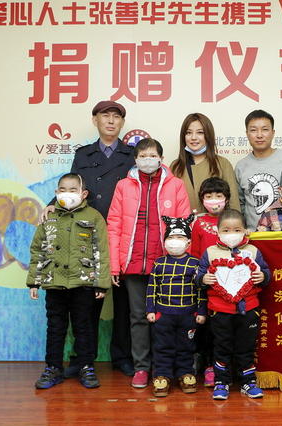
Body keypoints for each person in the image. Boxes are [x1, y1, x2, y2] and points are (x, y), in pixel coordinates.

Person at [40, 100, 135, 378]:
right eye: (105, 116)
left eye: (116, 117)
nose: (111, 121)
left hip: (120, 234)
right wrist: (51, 204)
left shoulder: (132, 155)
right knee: (87, 301)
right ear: (95, 120)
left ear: (122, 123)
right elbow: (73, 186)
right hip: (87, 233)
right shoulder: (83, 154)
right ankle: (83, 359)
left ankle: (122, 357)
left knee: (123, 301)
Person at [107, 138, 192, 388]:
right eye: (143, 156)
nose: (148, 160)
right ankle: (142, 368)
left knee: (166, 316)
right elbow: (114, 225)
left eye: (152, 155)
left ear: (161, 159)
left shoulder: (175, 185)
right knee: (138, 317)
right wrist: (115, 265)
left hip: (166, 264)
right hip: (132, 263)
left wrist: (184, 262)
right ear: (135, 159)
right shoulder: (124, 186)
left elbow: (185, 224)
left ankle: (164, 368)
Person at [28, 173, 110, 389]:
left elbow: (101, 251)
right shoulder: (49, 217)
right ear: (56, 193)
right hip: (54, 283)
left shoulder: (94, 217)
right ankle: (53, 368)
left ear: (83, 194)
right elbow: (37, 250)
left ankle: (86, 366)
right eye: (63, 190)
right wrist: (34, 281)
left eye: (73, 190)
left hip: (83, 284)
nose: (67, 194)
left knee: (84, 327)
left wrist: (101, 283)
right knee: (55, 327)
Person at [196, 209, 271, 400]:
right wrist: (203, 279)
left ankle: (248, 382)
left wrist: (263, 276)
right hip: (220, 311)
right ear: (218, 231)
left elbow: (266, 274)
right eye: (226, 230)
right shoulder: (210, 252)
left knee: (246, 347)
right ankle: (222, 381)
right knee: (221, 346)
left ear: (245, 230)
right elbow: (198, 276)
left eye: (237, 230)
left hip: (249, 309)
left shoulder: (253, 251)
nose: (231, 234)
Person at [146, 214, 207, 397]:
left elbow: (200, 290)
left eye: (180, 237)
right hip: (163, 315)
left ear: (188, 242)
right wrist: (151, 310)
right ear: (165, 241)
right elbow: (152, 288)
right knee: (162, 346)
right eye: (171, 237)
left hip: (188, 314)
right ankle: (162, 375)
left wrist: (201, 311)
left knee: (186, 346)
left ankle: (185, 373)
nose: (175, 241)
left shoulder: (195, 263)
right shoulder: (159, 263)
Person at [188, 176, 231, 387]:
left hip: (231, 284)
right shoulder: (199, 223)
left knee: (224, 328)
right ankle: (207, 366)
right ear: (202, 199)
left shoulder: (233, 220)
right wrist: (199, 278)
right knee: (205, 326)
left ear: (226, 199)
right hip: (206, 283)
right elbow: (195, 254)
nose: (214, 200)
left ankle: (225, 365)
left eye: (218, 195)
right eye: (209, 196)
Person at [171, 112, 240, 213]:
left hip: (217, 222)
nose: (193, 137)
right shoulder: (175, 167)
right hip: (184, 222)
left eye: (200, 132)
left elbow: (233, 204)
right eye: (188, 133)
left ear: (208, 135)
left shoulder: (222, 163)